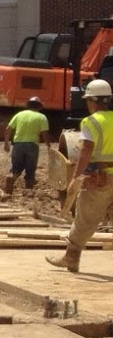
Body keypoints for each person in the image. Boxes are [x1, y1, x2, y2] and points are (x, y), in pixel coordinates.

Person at [48, 78, 113, 272]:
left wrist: (75, 177)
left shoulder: (91, 122)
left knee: (86, 218)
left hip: (99, 178)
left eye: (88, 101)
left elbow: (86, 150)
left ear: (93, 101)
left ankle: (71, 257)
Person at [3, 96, 49, 198]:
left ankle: (11, 178)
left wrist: (6, 144)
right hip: (32, 145)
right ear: (39, 107)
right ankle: (28, 190)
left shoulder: (19, 115)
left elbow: (7, 129)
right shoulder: (42, 117)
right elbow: (45, 134)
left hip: (17, 145)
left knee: (16, 167)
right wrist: (48, 145)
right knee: (30, 168)